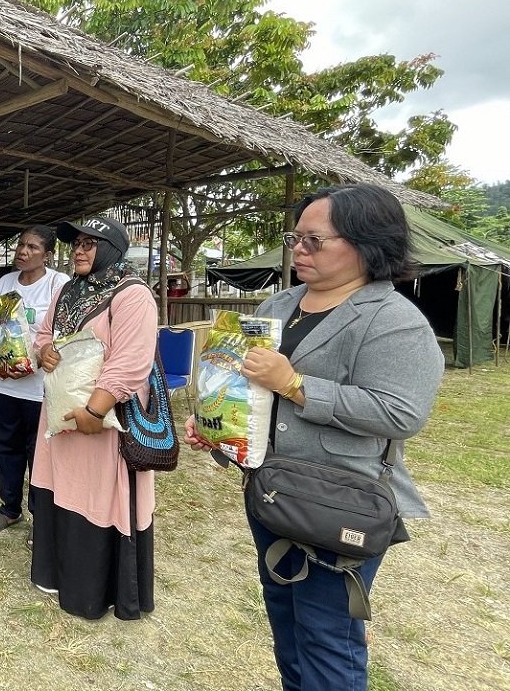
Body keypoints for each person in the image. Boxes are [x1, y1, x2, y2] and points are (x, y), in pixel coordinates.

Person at [185, 184, 443, 691]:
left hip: (337, 500)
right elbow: (248, 382)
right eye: (295, 237)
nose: (298, 249)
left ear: (368, 244)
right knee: (284, 614)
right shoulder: (282, 302)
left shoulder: (393, 320)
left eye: (314, 240)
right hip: (271, 487)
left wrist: (296, 384)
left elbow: (400, 413)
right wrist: (219, 424)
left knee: (328, 632)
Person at [30, 215, 158, 620]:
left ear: (112, 250)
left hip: (103, 421)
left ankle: (92, 591)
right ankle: (58, 575)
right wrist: (44, 351)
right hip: (60, 417)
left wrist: (93, 412)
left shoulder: (132, 295)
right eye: (76, 244)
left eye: (90, 244)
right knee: (63, 487)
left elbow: (131, 361)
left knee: (99, 494)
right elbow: (44, 333)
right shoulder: (70, 290)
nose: (79, 251)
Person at [0, 225, 69, 541]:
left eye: (32, 247)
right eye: (20, 245)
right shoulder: (5, 282)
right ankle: (9, 508)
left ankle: (42, 519)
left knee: (41, 455)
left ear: (47, 254)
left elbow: (66, 334)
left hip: (40, 389)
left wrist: (42, 355)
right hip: (3, 384)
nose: (23, 251)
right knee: (7, 448)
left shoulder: (59, 284)